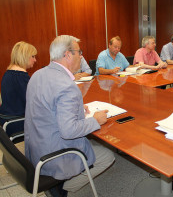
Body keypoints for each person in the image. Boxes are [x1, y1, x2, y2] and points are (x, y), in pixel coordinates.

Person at [25, 35, 115, 196]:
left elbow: (47, 106)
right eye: (79, 52)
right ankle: (64, 187)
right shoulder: (67, 86)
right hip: (55, 156)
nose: (81, 56)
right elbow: (69, 131)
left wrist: (77, 107)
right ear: (67, 55)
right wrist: (95, 120)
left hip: (36, 149)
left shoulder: (37, 75)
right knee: (108, 156)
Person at [0, 41, 37, 137]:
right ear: (24, 56)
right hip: (18, 123)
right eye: (33, 56)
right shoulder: (20, 76)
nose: (35, 60)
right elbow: (33, 103)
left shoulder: (8, 73)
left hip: (6, 121)